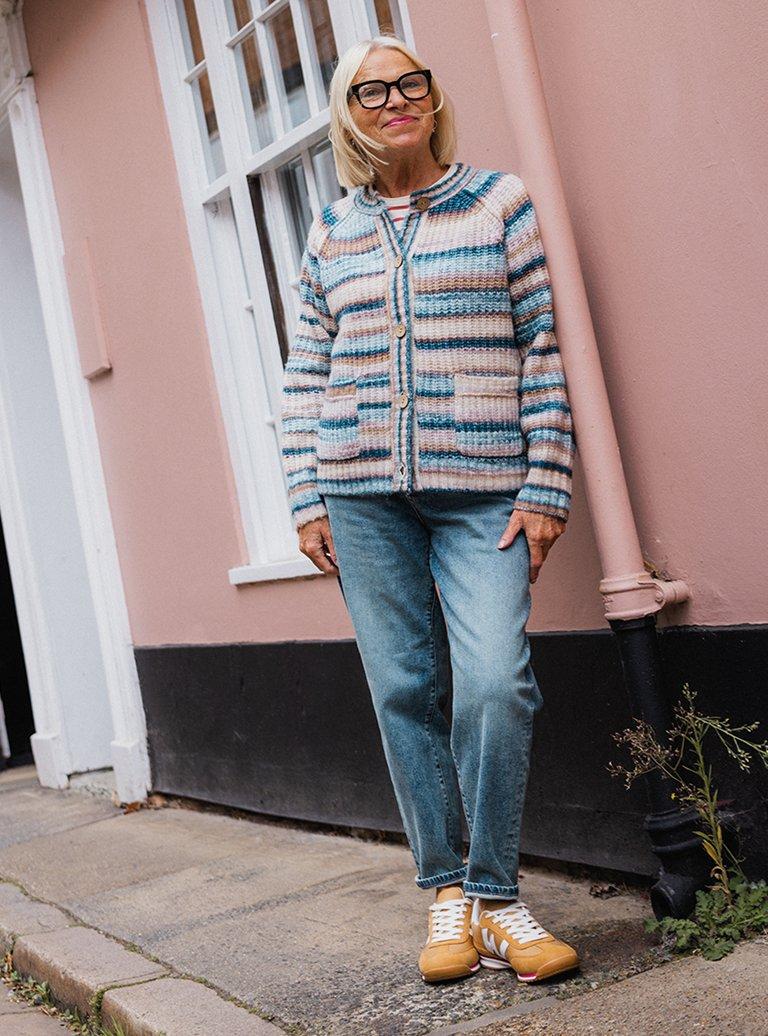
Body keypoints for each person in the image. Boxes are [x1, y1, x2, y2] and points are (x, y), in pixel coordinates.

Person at [280, 33, 579, 985]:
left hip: (482, 488)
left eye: (410, 83)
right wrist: (303, 492)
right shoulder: (329, 231)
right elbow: (305, 373)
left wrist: (546, 482)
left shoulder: (499, 201)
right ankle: (447, 892)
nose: (394, 99)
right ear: (350, 113)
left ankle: (495, 897)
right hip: (360, 492)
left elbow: (541, 346)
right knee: (404, 690)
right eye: (372, 91)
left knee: (495, 682)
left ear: (432, 96)